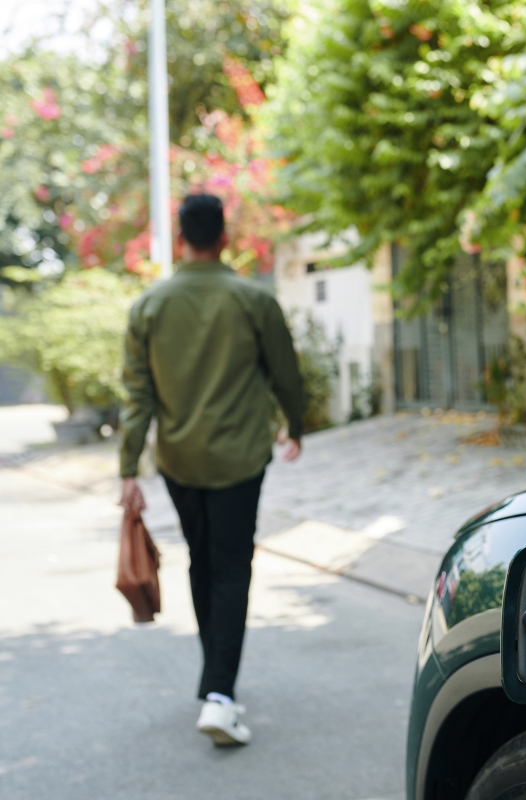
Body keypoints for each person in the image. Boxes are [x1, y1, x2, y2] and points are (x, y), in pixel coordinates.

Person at [118, 193, 305, 746]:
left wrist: (129, 468)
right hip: (241, 459)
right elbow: (286, 373)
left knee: (203, 562)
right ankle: (220, 695)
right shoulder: (253, 299)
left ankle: (214, 684)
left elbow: (136, 395)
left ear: (181, 239)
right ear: (224, 238)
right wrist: (295, 425)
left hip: (178, 460)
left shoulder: (149, 305)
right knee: (230, 566)